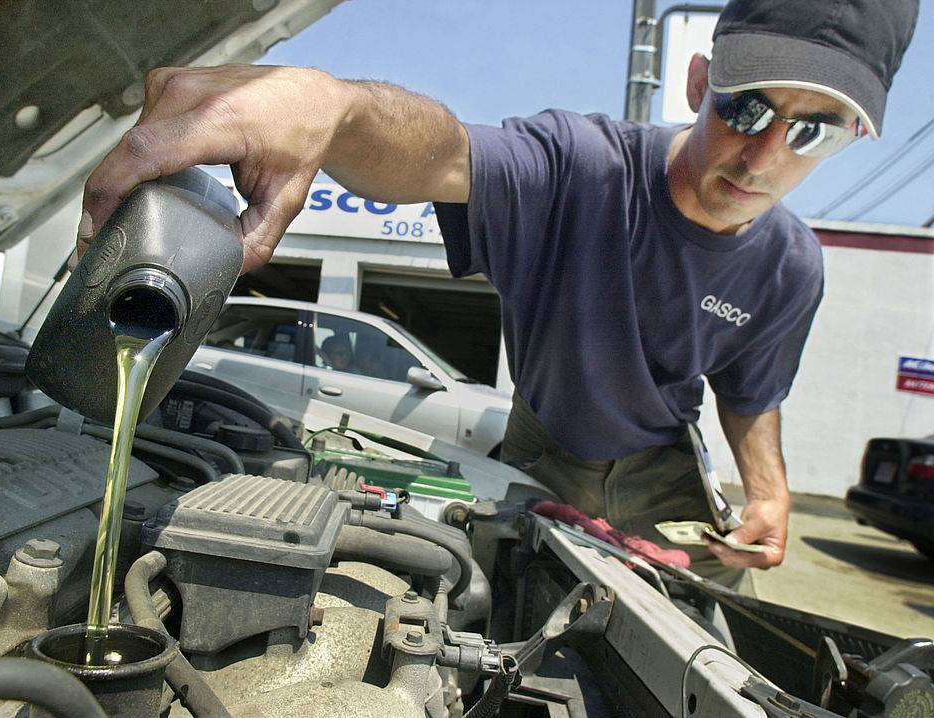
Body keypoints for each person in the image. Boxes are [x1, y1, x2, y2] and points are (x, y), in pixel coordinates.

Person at [75, 0, 918, 587]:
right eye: (747, 107)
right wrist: (334, 108)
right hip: (543, 443)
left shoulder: (793, 267)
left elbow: (751, 391)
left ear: (852, 138)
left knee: (708, 643)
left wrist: (768, 490)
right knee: (499, 600)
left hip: (667, 470)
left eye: (814, 129)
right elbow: (442, 156)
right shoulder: (583, 170)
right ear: (700, 82)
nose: (767, 154)